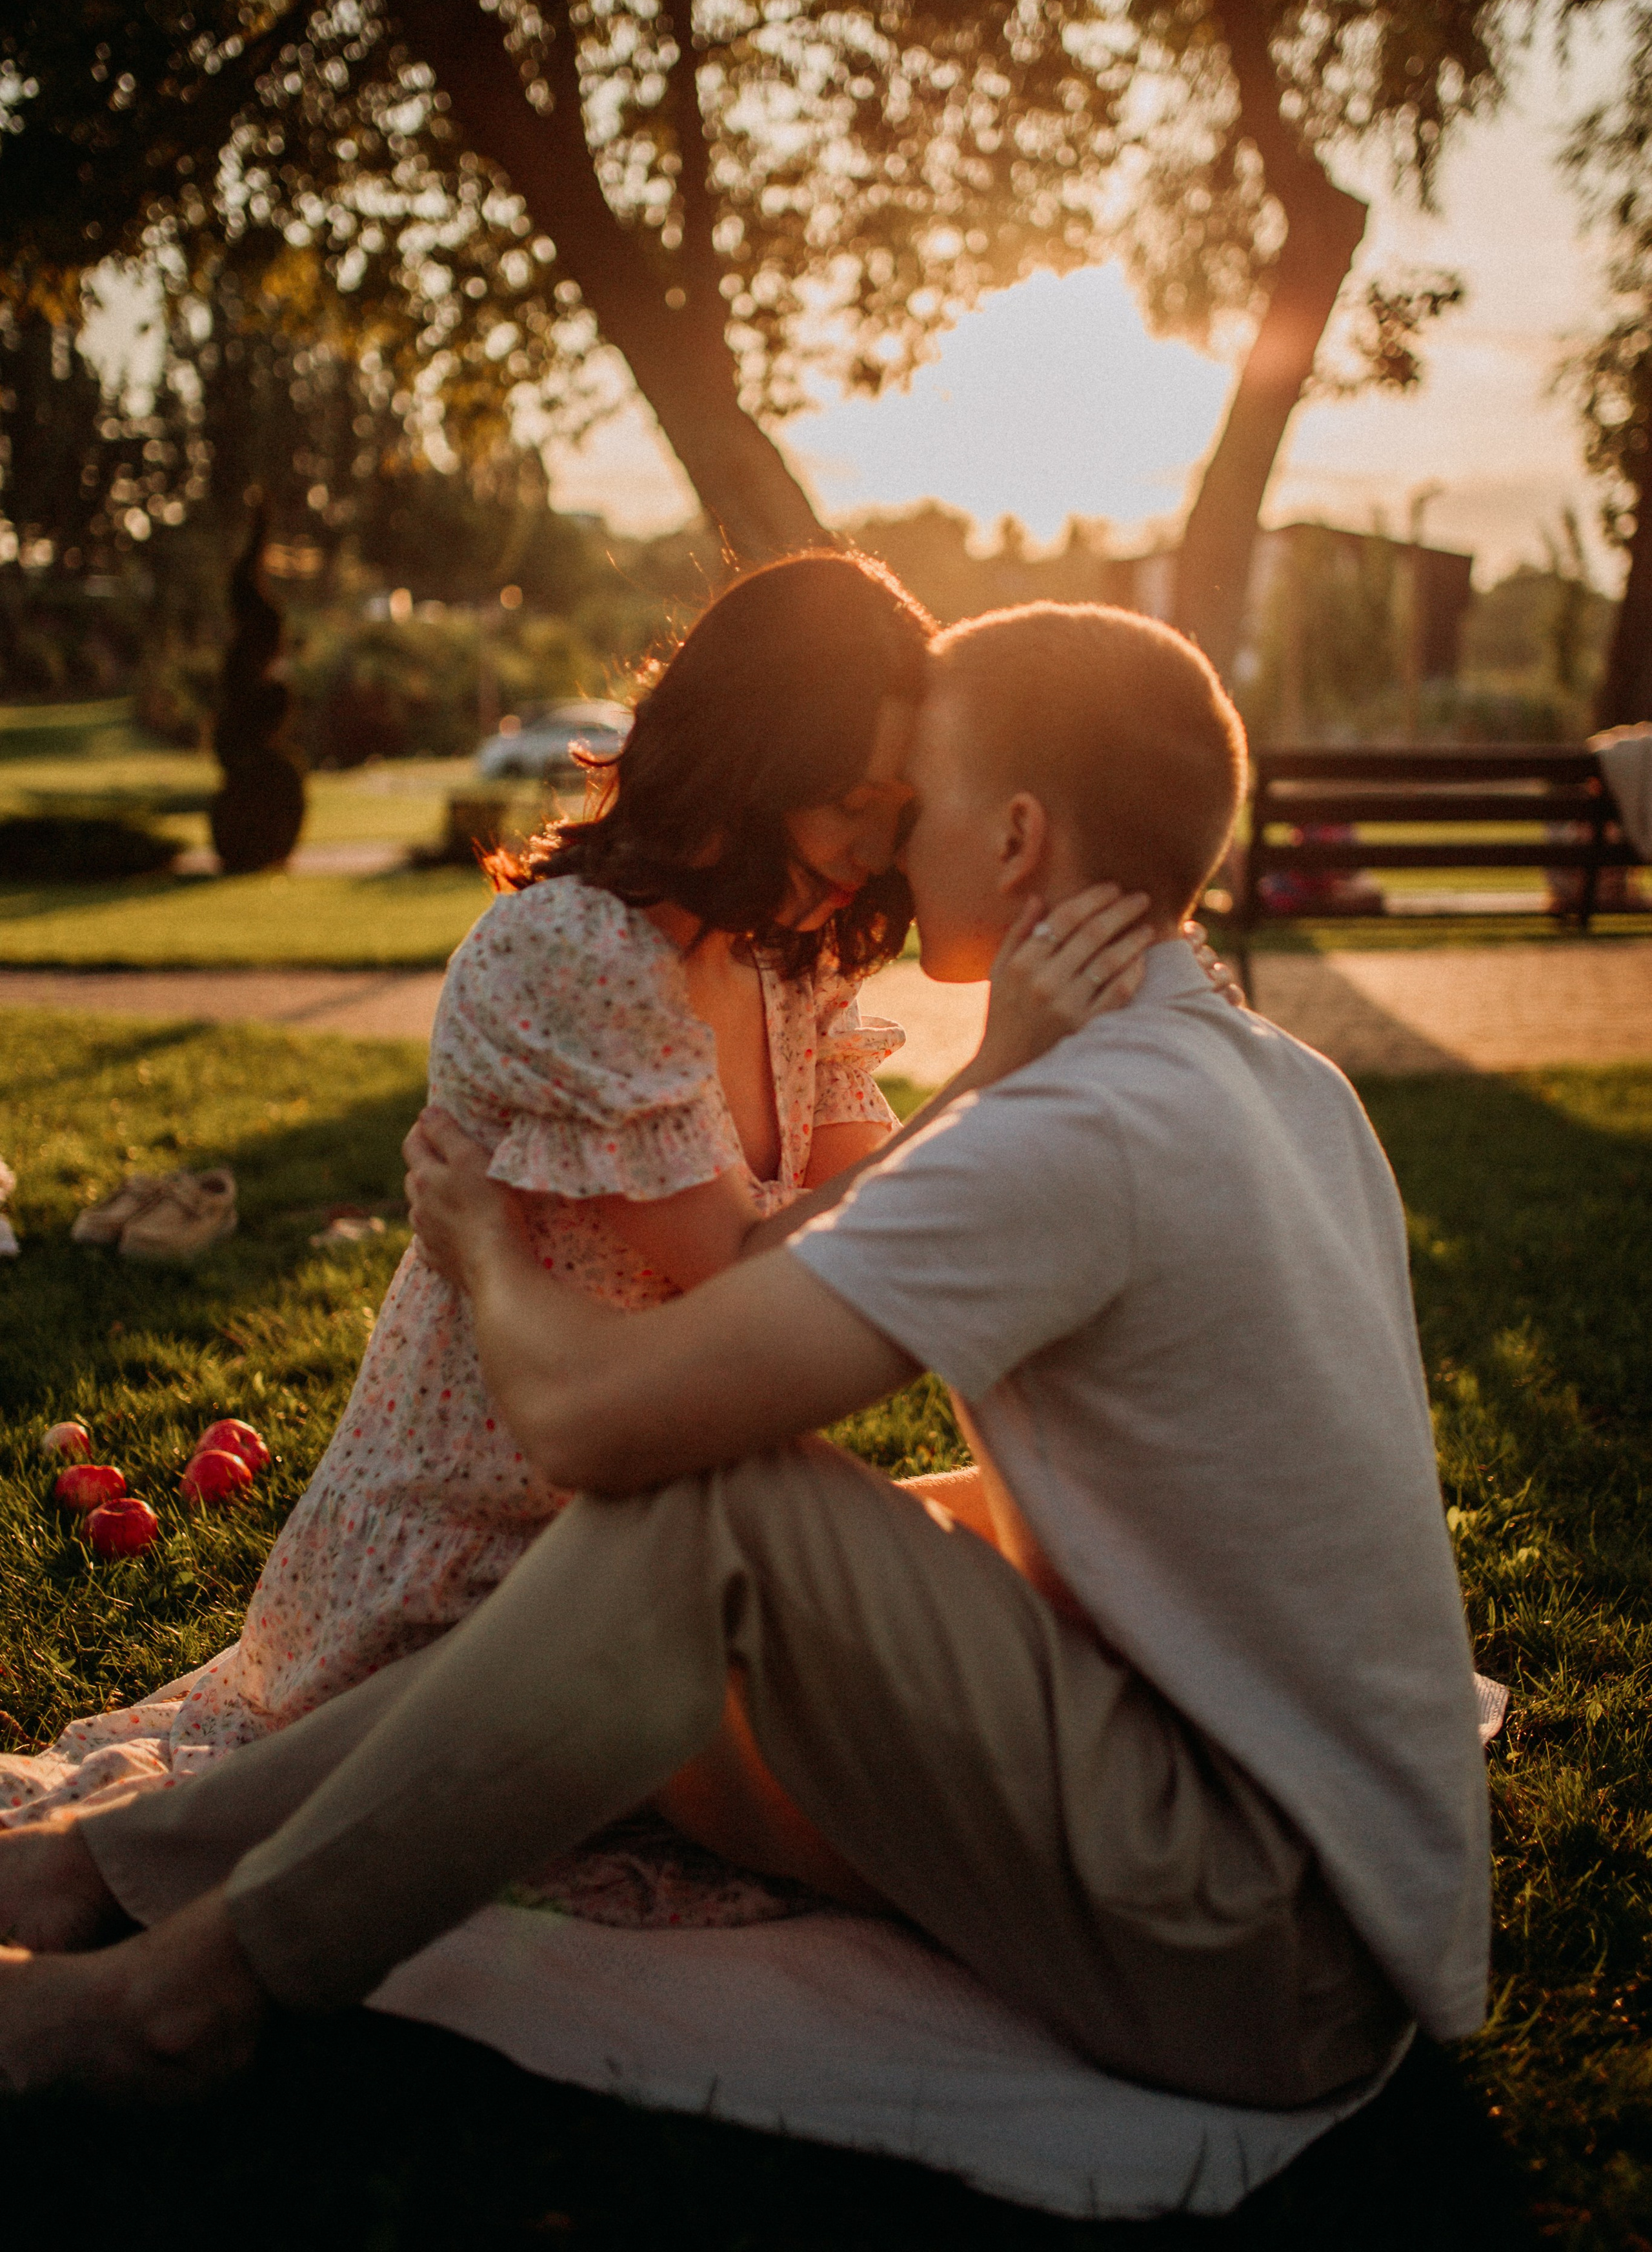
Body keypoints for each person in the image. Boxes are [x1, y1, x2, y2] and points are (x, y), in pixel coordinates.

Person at [0, 601, 1487, 2116]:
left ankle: (174, 1997)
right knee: (757, 1524)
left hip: (1257, 1946)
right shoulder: (1278, 1080)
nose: (896, 852)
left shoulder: (1075, 1125)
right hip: (1312, 1903)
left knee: (714, 1507)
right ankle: (103, 1876)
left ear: (1020, 835)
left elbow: (591, 1425)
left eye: (926, 807)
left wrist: (485, 1247)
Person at [0, 553, 1153, 1865]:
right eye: (850, 800)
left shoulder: (791, 953)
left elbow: (865, 1223)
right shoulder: (578, 953)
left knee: (1028, 1591)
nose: (875, 846)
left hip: (668, 1527)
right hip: (478, 1568)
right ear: (749, 754)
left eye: (896, 806)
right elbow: (745, 1279)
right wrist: (996, 1073)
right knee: (925, 1767)